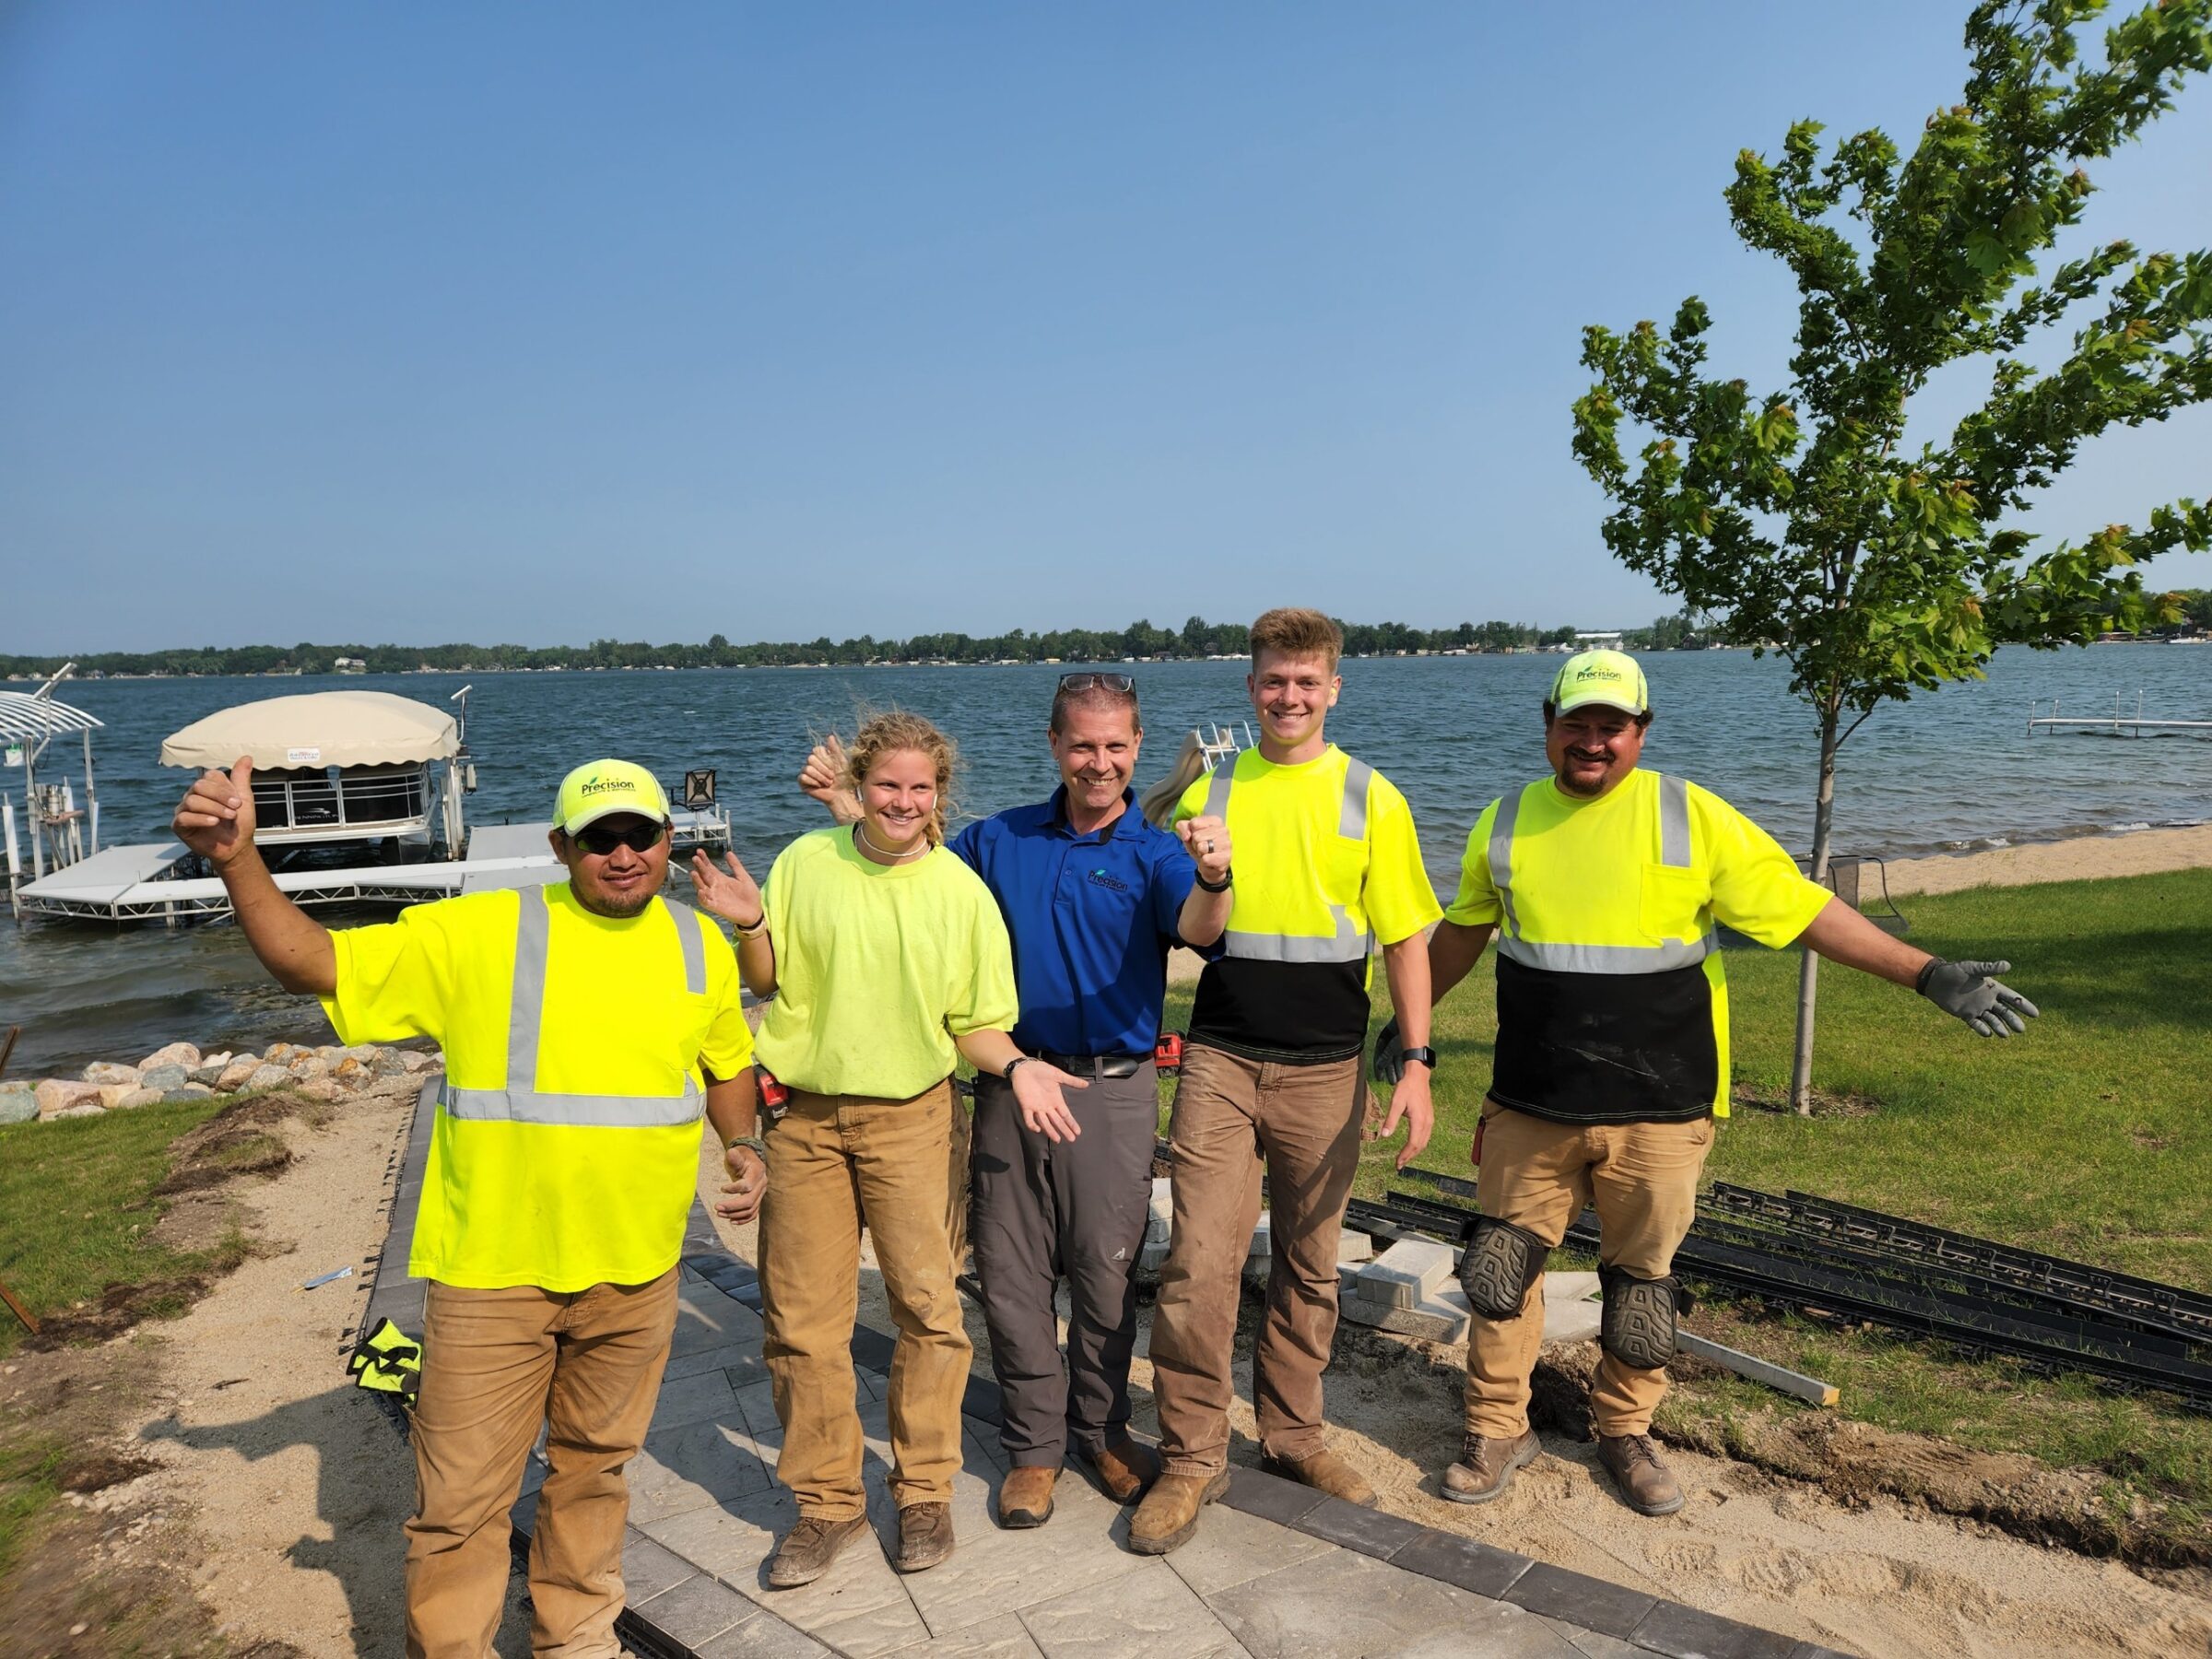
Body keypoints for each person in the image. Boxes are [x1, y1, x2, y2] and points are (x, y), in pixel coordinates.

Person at [1380, 649, 2040, 1517]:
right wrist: (1408, 1021)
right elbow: (1463, 932)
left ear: (1640, 734)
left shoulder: (1691, 817)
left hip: (1663, 1109)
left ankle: (1624, 1433)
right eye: (1575, 723)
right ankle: (1498, 1426)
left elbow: (1804, 910)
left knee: (1642, 1289)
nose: (1591, 742)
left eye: (1610, 727)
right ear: (1548, 724)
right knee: (1500, 1273)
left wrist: (1927, 974)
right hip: (1532, 1104)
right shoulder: (1505, 823)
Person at [171, 757, 763, 1659]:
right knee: (459, 1507)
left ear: (669, 841)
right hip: (494, 1276)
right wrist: (238, 861)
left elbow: (727, 1065)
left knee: (594, 1477)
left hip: (639, 1271)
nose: (621, 853)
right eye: (597, 837)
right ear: (561, 846)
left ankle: (578, 1640)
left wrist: (746, 1143)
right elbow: (312, 962)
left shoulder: (698, 944)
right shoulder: (481, 931)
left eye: (640, 833)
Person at [794, 673, 1235, 1530]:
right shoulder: (997, 840)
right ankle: (1034, 1447)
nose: (1098, 763)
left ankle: (1101, 1430)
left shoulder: (1152, 851)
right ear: (1054, 745)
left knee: (1106, 1274)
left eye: (1115, 746)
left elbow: (1200, 927)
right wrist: (849, 803)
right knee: (1011, 1274)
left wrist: (1217, 876)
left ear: (1137, 748)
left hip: (1111, 1089)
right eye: (1082, 744)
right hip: (1005, 1077)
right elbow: (908, 863)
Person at [687, 710, 1088, 1587]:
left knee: (929, 1312)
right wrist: (750, 923)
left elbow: (977, 1026)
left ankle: (923, 1492)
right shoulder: (804, 863)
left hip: (914, 1118)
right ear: (859, 790)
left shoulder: (960, 894)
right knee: (801, 1325)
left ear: (939, 796)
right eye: (887, 785)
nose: (904, 801)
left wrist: (1018, 1066)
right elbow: (769, 983)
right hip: (806, 1124)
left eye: (921, 787)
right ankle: (827, 1508)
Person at [1130, 606, 1444, 1558]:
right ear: (1251, 684)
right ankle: (1190, 1457)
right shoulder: (1209, 791)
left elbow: (1404, 939)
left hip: (1329, 1069)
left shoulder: (1371, 797)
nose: (1290, 697)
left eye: (1307, 682)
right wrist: (1208, 869)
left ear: (1334, 689)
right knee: (1199, 1265)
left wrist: (1418, 1061)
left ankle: (1293, 1435)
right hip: (1221, 1058)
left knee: (1310, 1266)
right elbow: (1193, 932)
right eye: (1274, 680)